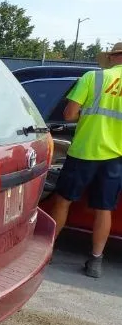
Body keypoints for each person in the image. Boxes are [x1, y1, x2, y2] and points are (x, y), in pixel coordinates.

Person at [50, 42, 122, 277]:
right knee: (104, 209)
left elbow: (69, 114)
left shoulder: (92, 77)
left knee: (63, 201)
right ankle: (95, 261)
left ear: (112, 58)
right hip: (115, 157)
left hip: (83, 152)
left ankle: (48, 249)